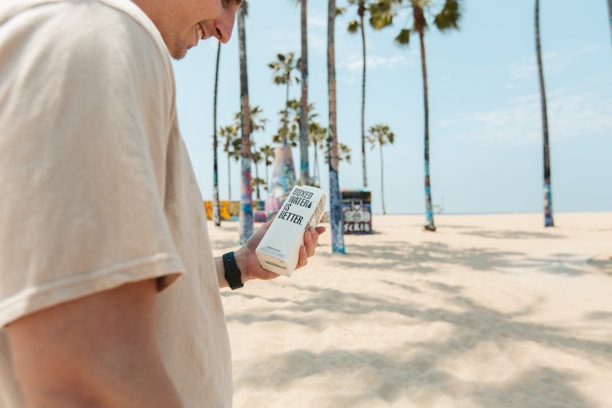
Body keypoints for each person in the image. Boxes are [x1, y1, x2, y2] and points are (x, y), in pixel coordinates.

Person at [0, 0, 325, 406]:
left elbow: (102, 285)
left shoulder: (92, 37)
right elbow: (85, 365)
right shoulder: (93, 36)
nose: (226, 30)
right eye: (226, 1)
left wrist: (238, 266)